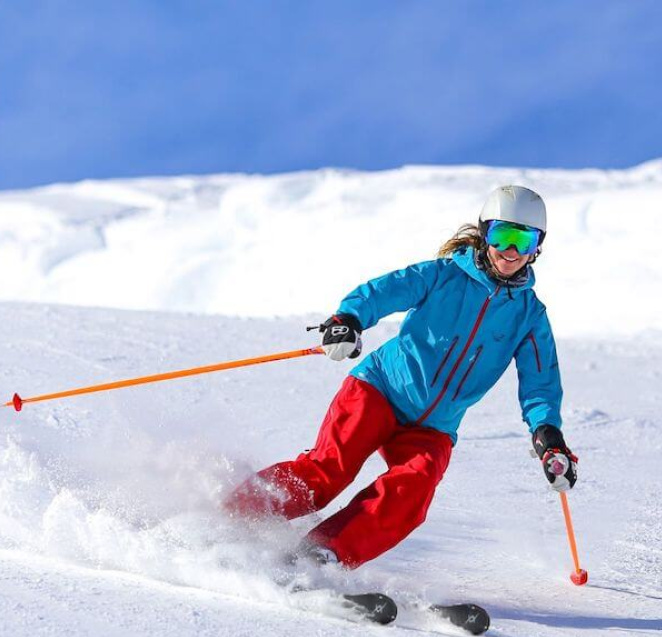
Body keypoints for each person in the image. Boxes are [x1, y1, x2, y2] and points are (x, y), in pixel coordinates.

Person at [224, 185, 577, 568]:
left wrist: (548, 435)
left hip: (434, 427)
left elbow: (539, 382)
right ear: (483, 233)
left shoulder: (530, 316)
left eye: (523, 240)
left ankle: (320, 556)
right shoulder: (443, 276)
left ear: (537, 247)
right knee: (327, 473)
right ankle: (229, 515)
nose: (510, 251)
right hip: (380, 389)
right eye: (502, 236)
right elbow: (383, 292)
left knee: (412, 491)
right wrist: (348, 320)